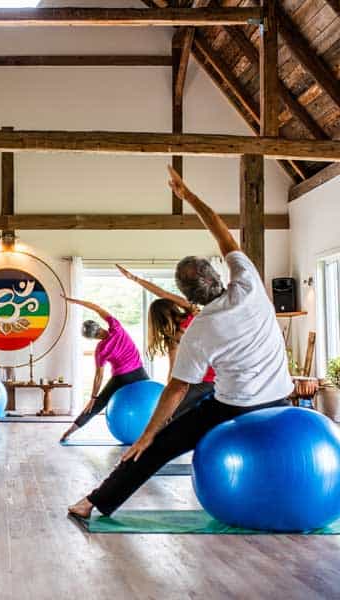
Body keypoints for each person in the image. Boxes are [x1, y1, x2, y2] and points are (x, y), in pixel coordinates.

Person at [67, 167, 293, 520]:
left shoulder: (199, 329)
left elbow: (175, 389)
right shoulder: (249, 283)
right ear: (217, 275)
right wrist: (187, 196)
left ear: (185, 296)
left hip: (234, 406)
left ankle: (95, 502)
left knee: (156, 448)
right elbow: (221, 230)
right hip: (280, 398)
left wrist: (146, 436)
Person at [115, 264, 215, 419]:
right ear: (172, 307)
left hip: (203, 380)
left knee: (172, 415)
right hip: (221, 373)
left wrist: (169, 396)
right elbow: (162, 293)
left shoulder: (173, 338)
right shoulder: (192, 312)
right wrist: (134, 278)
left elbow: (173, 372)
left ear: (157, 321)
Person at [59, 299, 149, 442]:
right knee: (152, 401)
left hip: (121, 378)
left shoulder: (101, 350)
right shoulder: (117, 327)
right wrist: (73, 301)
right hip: (139, 373)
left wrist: (93, 398)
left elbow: (98, 376)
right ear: (99, 326)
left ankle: (68, 433)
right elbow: (96, 307)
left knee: (97, 405)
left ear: (92, 338)